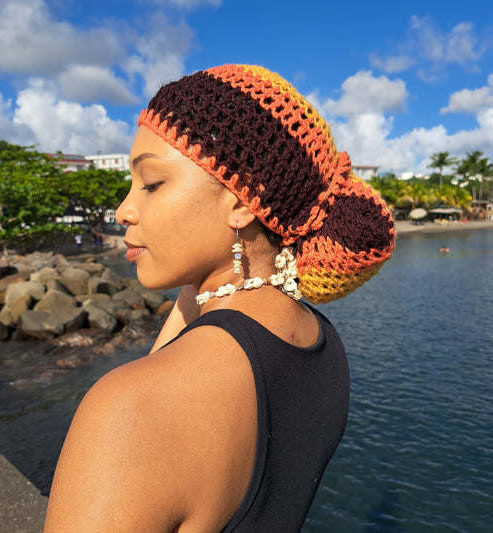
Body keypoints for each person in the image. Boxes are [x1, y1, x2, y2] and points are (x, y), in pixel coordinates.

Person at [44, 64, 395, 532]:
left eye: (151, 184)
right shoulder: (323, 344)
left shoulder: (131, 407)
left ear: (243, 201)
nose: (123, 210)